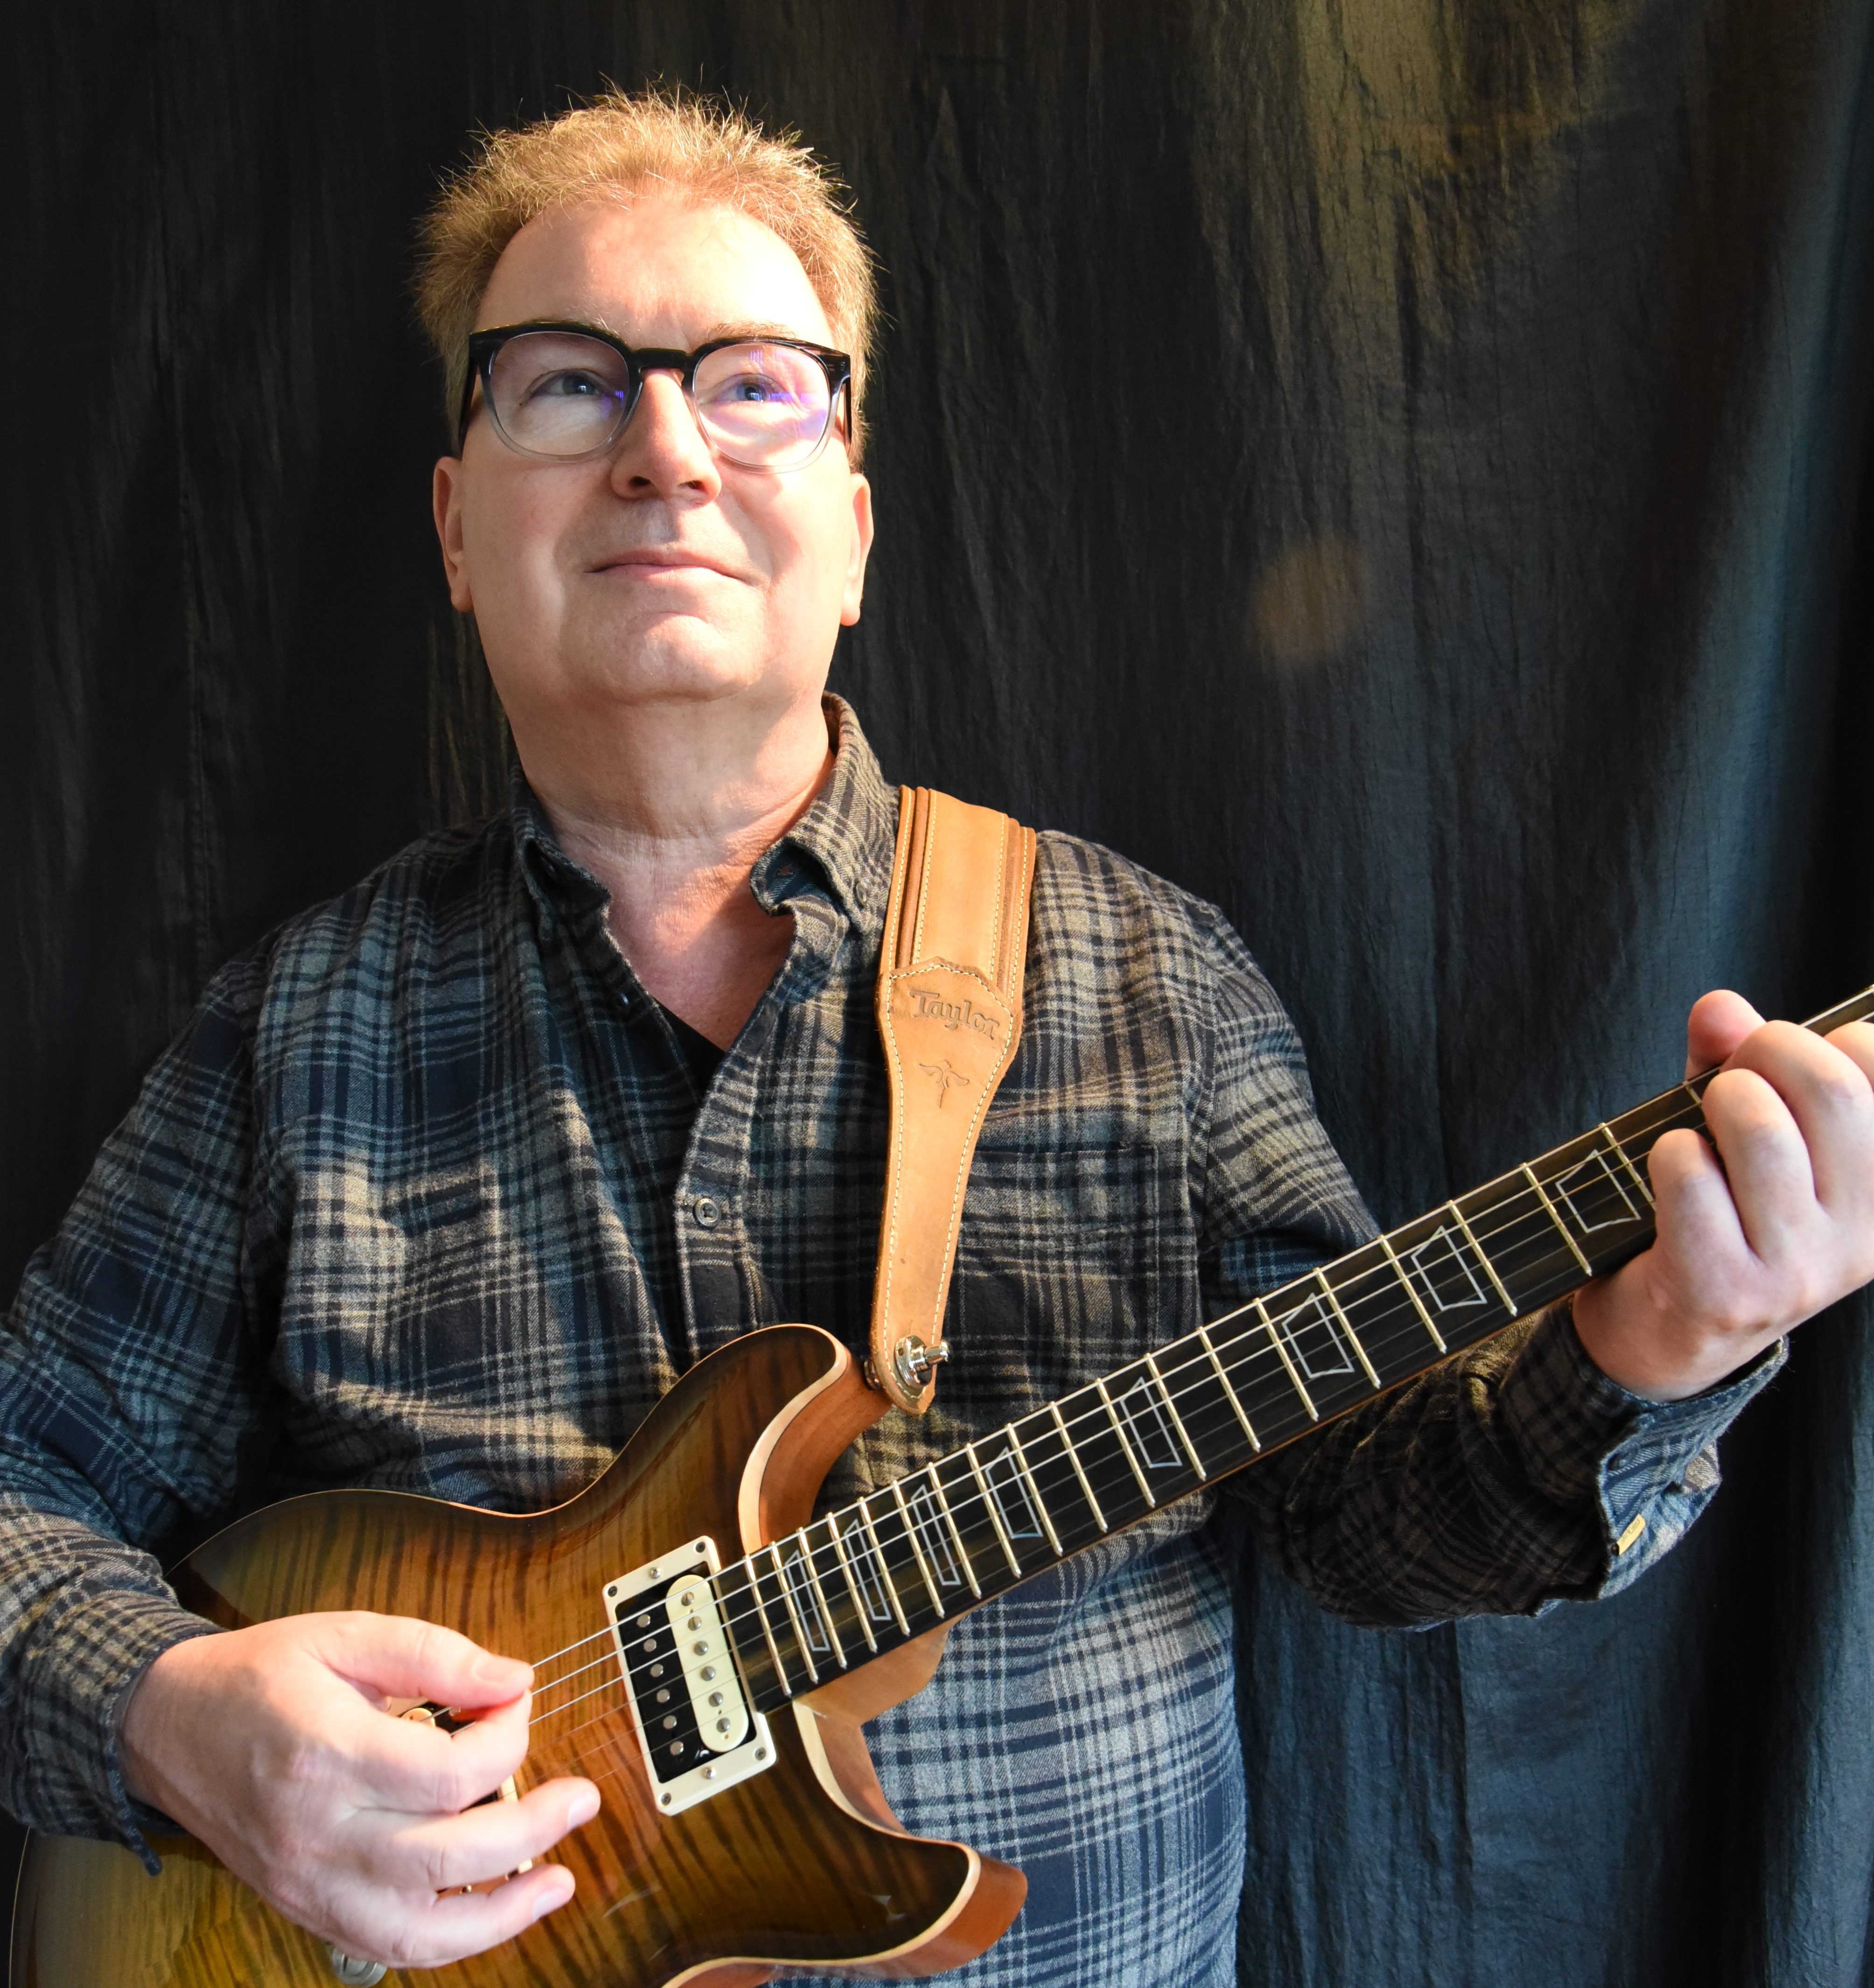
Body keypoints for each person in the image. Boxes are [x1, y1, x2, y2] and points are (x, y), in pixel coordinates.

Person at [1, 91, 1870, 1988]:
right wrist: (164, 1713)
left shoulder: (1144, 980)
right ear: (457, 529)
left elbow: (1370, 1521)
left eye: (754, 386)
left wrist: (1656, 1348)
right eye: (567, 384)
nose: (664, 449)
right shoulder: (295, 1033)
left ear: (857, 531)